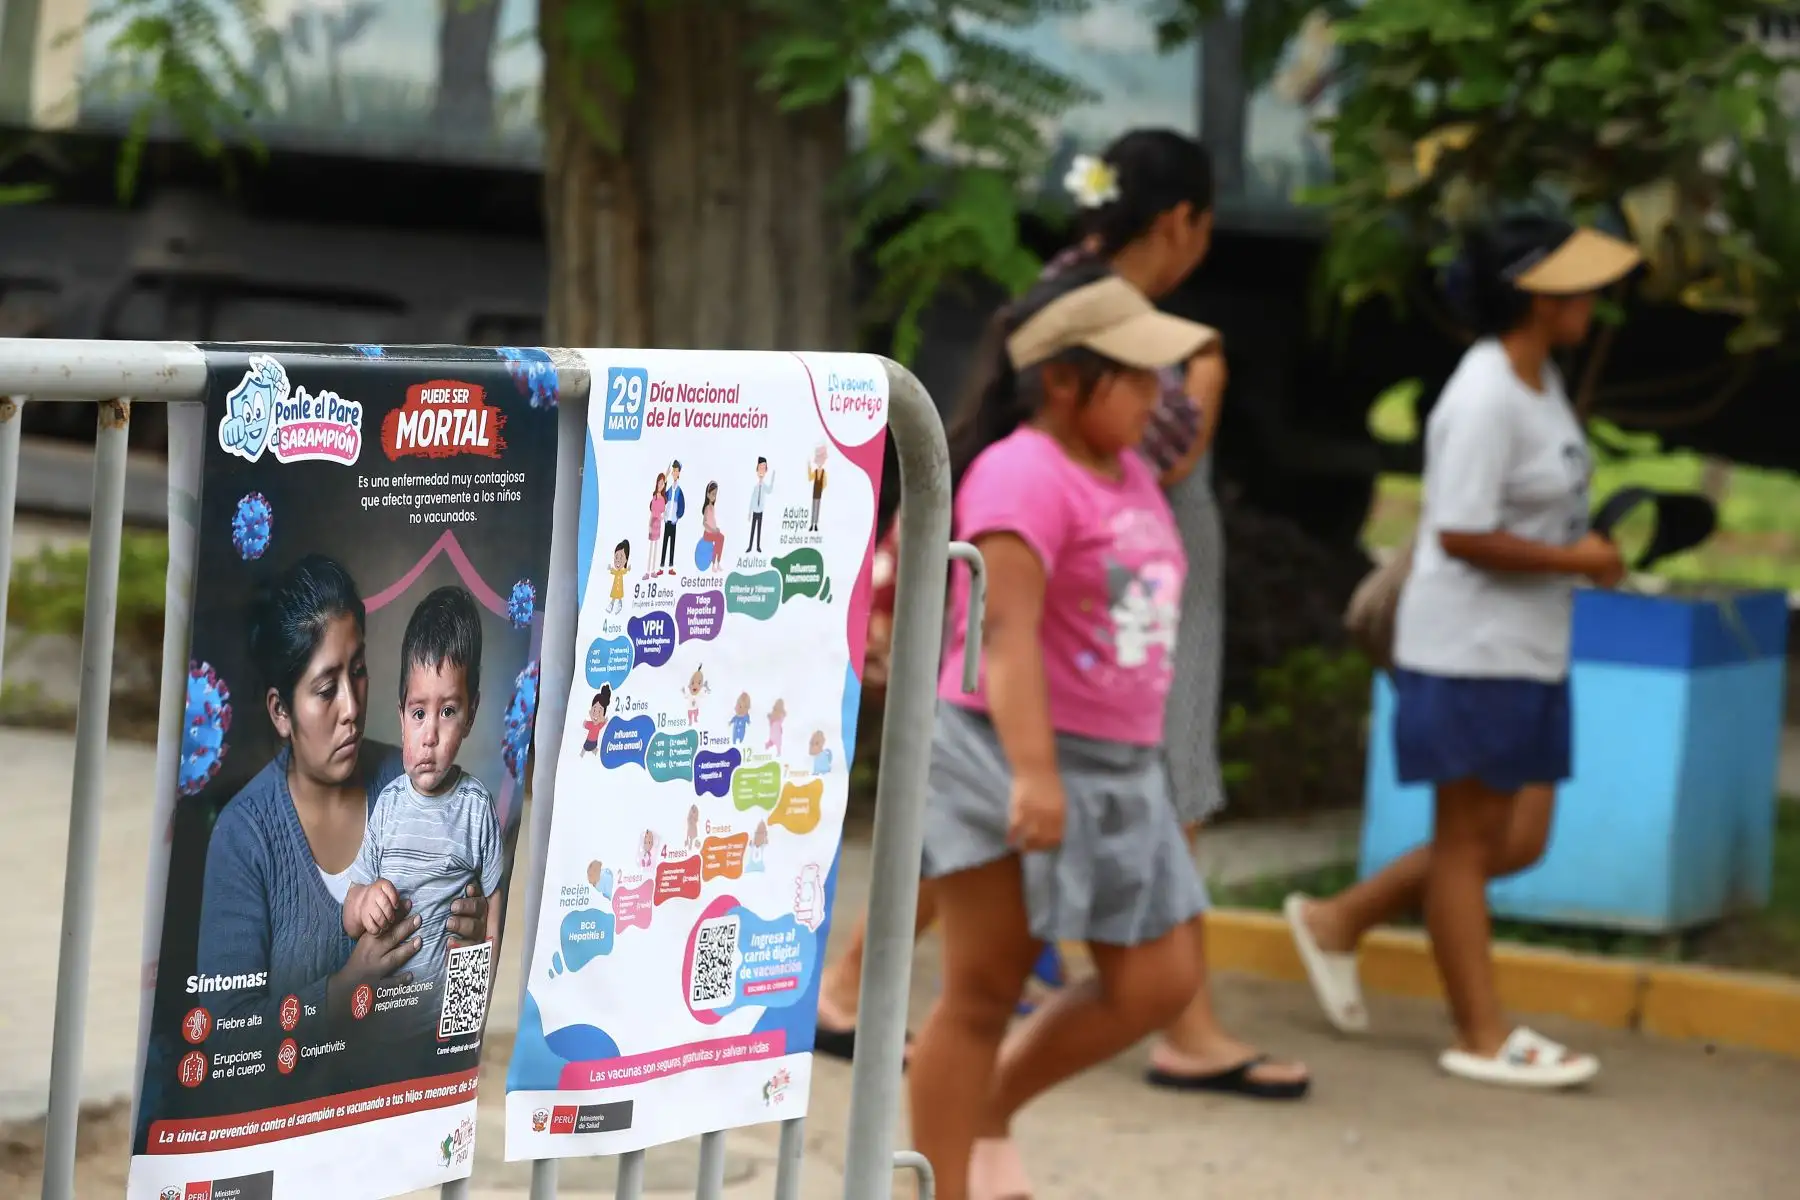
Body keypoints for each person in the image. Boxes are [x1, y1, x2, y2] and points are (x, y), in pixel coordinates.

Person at [817, 129, 1306, 1102]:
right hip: (1086, 619)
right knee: (993, 955)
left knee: (962, 830)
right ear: (1181, 222)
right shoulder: (1117, 345)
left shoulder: (1060, 299)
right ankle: (1161, 1033)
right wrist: (1193, 378)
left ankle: (858, 999)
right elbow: (1146, 458)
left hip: (1070, 620)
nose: (1157, 383)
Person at [1285, 215, 1639, 1090]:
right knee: (1469, 841)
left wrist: (1578, 547)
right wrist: (1578, 560)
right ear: (1533, 295)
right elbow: (1460, 530)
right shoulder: (1482, 393)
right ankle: (1480, 1035)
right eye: (1576, 284)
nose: (1593, 299)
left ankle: (1339, 920)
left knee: (1515, 839)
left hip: (1526, 647)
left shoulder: (1539, 380)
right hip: (1471, 647)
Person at [907, 264, 1224, 1200]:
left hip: (1120, 767)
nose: (1158, 394)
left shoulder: (1126, 467)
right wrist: (1034, 777)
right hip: (1002, 753)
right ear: (1063, 380)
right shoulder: (1021, 473)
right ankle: (937, 1186)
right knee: (981, 991)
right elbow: (1003, 632)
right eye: (1137, 376)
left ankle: (992, 1107)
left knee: (1159, 982)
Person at [195, 556, 490, 1059]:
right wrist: (343, 990)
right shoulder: (245, 836)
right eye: (327, 689)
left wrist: (472, 952)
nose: (353, 708)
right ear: (280, 711)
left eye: (359, 673)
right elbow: (221, 1035)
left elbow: (460, 1020)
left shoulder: (415, 786)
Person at [343, 586, 504, 1012]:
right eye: (419, 714)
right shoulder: (388, 806)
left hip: (439, 1025)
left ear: (471, 714)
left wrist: (471, 1007)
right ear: (401, 718)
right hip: (378, 1017)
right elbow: (350, 908)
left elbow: (492, 908)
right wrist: (365, 903)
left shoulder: (476, 808)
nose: (429, 734)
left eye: (448, 711)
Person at [660, 460, 687, 573]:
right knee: (665, 543)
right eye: (673, 470)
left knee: (672, 544)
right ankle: (661, 565)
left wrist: (678, 516)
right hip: (667, 520)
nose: (674, 473)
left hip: (674, 521)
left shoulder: (679, 491)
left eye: (676, 470)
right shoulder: (670, 490)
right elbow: (663, 498)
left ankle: (670, 566)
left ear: (679, 473)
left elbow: (682, 506)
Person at [748, 456, 774, 552]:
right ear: (757, 469)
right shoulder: (755, 487)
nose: (762, 471)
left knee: (759, 529)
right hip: (755, 510)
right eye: (760, 468)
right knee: (753, 529)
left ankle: (758, 546)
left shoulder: (764, 486)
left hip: (760, 511)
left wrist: (772, 479)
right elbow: (752, 499)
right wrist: (749, 512)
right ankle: (750, 546)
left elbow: (770, 490)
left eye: (764, 468)